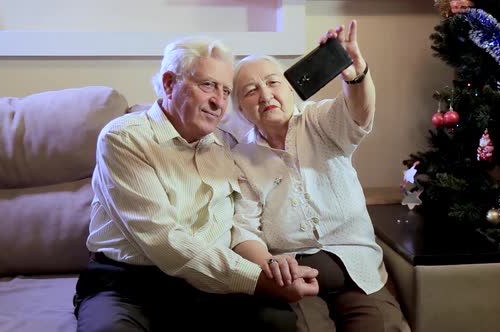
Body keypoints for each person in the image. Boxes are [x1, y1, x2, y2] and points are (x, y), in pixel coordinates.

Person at [73, 36, 319, 332]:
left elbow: (238, 224)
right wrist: (256, 280)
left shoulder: (224, 148)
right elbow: (164, 240)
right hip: (126, 285)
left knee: (276, 321)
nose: (218, 101)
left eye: (226, 91)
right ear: (168, 84)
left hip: (202, 284)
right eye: (207, 86)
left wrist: (274, 268)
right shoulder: (125, 138)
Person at [229, 21, 407, 331]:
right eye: (251, 90)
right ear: (241, 110)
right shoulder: (240, 158)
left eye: (273, 83)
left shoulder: (319, 120)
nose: (265, 94)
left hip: (358, 272)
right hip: (294, 278)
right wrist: (270, 264)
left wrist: (355, 73)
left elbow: (358, 116)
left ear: (290, 90)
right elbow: (244, 229)